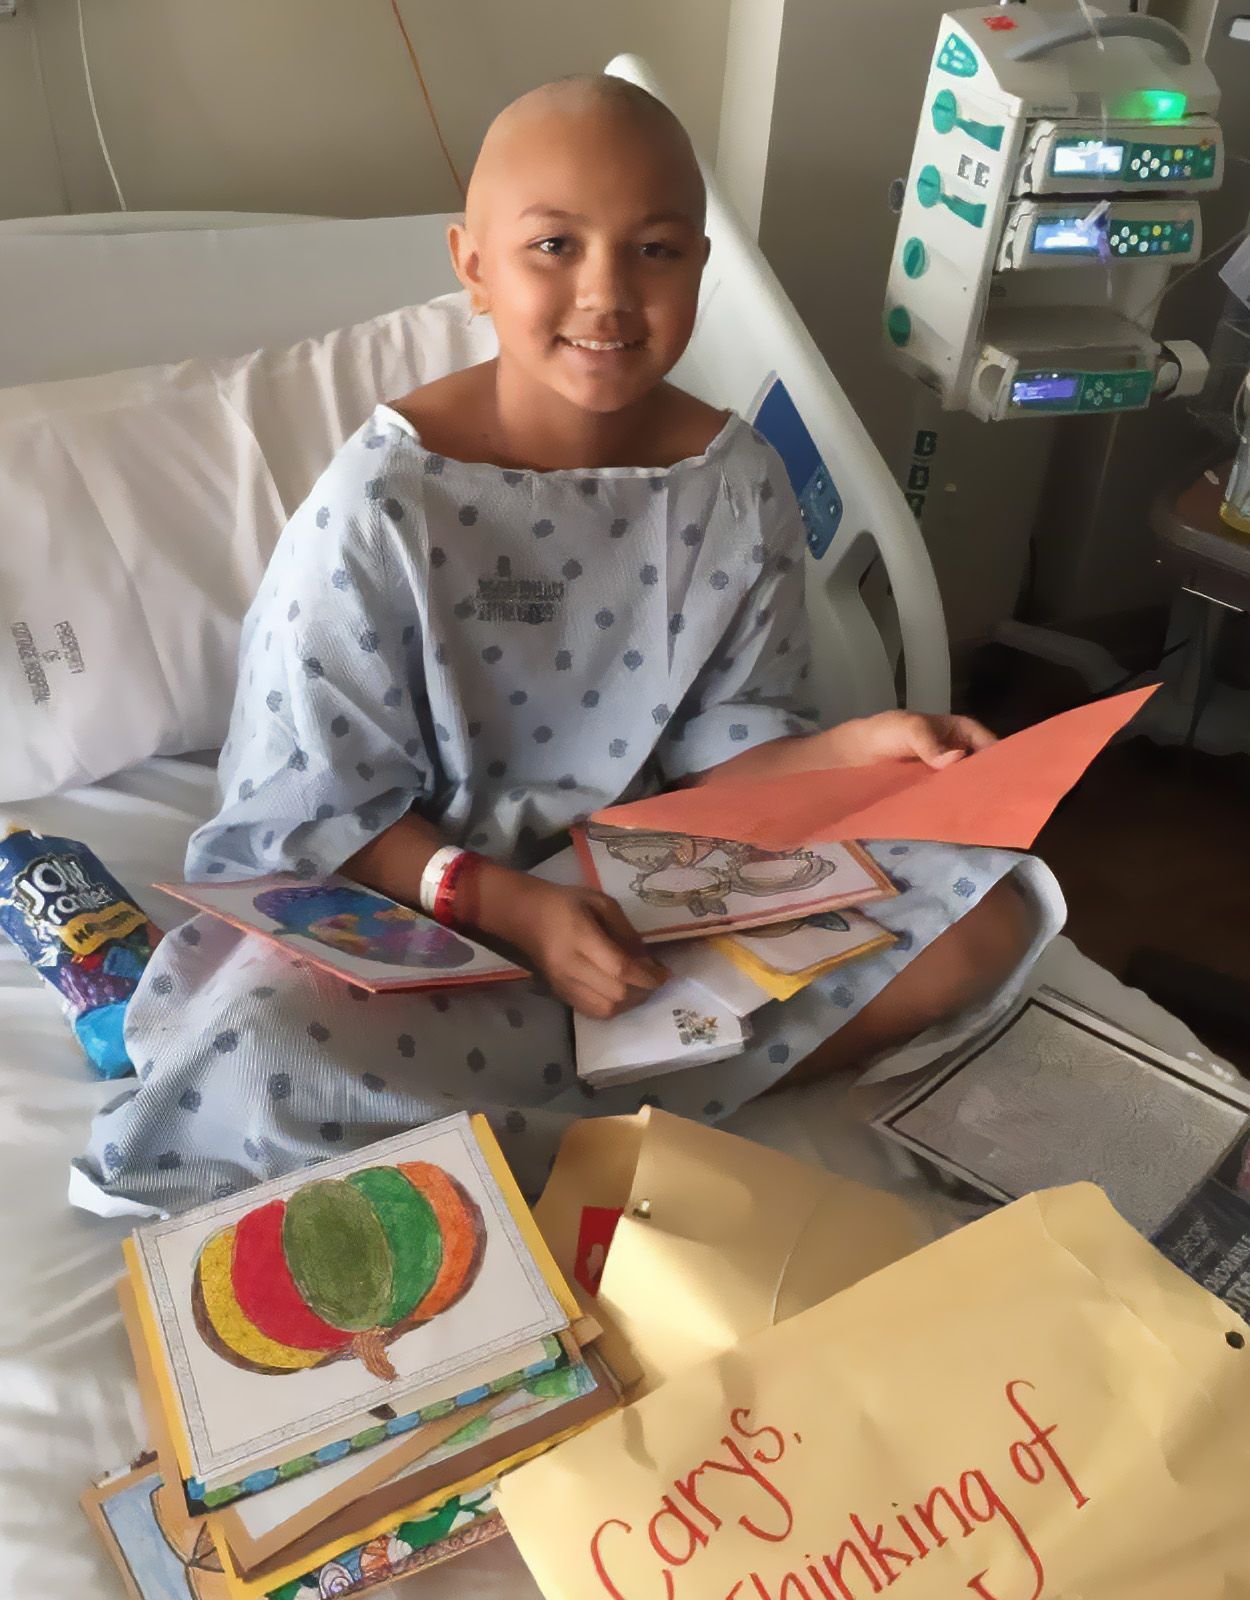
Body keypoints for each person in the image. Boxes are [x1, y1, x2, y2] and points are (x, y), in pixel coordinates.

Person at [74, 76, 1063, 1215]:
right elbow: (309, 809)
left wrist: (859, 746)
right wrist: (519, 913)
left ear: (698, 266)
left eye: (653, 249)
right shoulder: (384, 504)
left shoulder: (731, 487)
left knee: (985, 910)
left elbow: (725, 759)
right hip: (428, 903)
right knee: (258, 1046)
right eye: (554, 244)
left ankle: (610, 1104)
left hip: (655, 887)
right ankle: (637, 1099)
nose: (606, 293)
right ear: (474, 264)